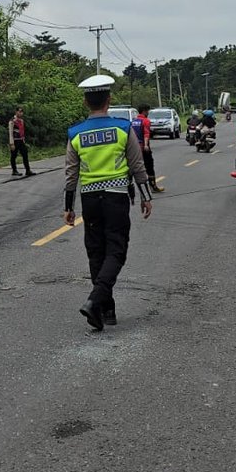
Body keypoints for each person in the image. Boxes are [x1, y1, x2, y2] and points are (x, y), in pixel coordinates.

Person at [64, 74, 153, 331]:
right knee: (116, 250)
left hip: (90, 199)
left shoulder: (75, 133)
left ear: (85, 102)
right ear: (109, 100)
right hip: (116, 196)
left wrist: (68, 207)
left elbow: (71, 174)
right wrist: (146, 197)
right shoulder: (123, 129)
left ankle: (107, 309)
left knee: (96, 251)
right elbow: (137, 165)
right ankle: (95, 301)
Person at [134, 105, 164, 192]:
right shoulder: (146, 121)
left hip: (135, 148)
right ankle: (153, 186)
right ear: (144, 111)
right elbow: (146, 134)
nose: (148, 113)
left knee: (135, 167)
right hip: (143, 147)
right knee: (149, 166)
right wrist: (146, 145)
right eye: (147, 111)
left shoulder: (134, 121)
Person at [8, 106, 35, 177]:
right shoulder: (12, 121)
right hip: (15, 140)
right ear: (16, 112)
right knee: (14, 155)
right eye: (19, 111)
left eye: (22, 112)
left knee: (25, 154)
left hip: (21, 140)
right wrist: (11, 143)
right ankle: (14, 170)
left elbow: (22, 131)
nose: (20, 113)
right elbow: (10, 132)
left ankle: (28, 170)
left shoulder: (21, 121)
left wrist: (23, 140)